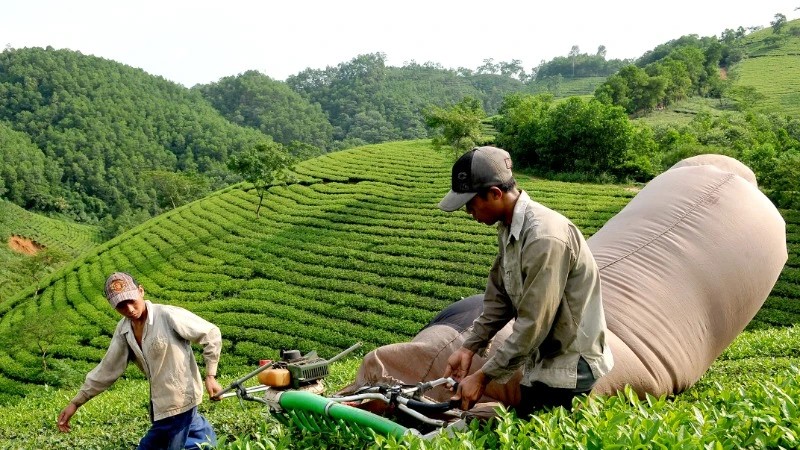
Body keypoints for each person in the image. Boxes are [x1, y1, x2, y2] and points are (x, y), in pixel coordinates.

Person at [438, 146, 613, 417]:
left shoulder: (544, 238)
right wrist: (469, 346)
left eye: (470, 205)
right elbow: (499, 298)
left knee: (541, 436)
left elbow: (534, 323)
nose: (468, 213)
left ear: (495, 194)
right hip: (543, 360)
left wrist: (483, 378)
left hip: (569, 366)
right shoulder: (508, 228)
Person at [57, 272, 223, 449]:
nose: (129, 309)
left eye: (131, 300)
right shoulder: (124, 330)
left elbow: (211, 333)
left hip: (179, 403)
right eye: (121, 305)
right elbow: (107, 369)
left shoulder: (167, 315)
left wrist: (210, 375)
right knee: (200, 439)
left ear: (141, 291)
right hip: (160, 406)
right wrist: (76, 402)